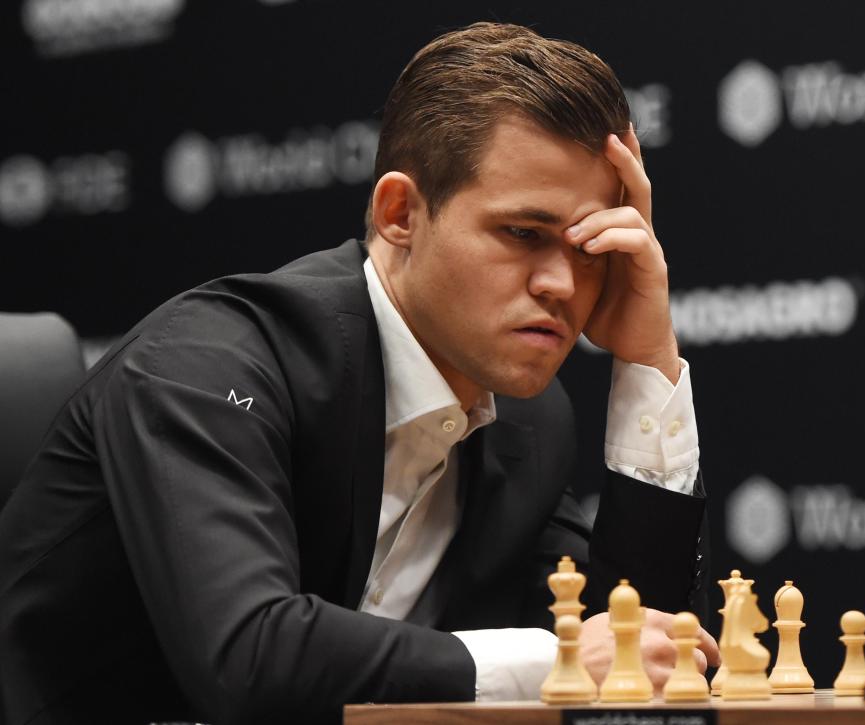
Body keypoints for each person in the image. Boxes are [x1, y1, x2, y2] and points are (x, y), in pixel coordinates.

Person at [0, 21, 716, 725]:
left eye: (590, 247)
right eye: (523, 234)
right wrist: (547, 663)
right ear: (400, 212)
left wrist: (646, 361)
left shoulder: (529, 422)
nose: (562, 281)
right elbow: (250, 658)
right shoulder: (207, 362)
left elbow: (632, 660)